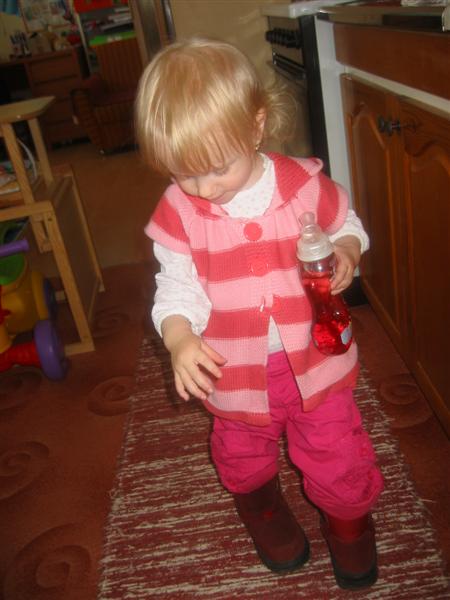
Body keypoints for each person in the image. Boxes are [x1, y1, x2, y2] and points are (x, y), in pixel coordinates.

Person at [136, 37, 384, 590]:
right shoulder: (179, 211)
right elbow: (175, 285)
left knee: (338, 454)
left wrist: (347, 249)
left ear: (255, 127)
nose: (204, 189)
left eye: (216, 168)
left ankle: (350, 529)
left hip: (316, 357)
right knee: (242, 456)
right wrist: (178, 337)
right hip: (233, 374)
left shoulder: (303, 186)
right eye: (184, 174)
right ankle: (265, 514)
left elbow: (346, 223)